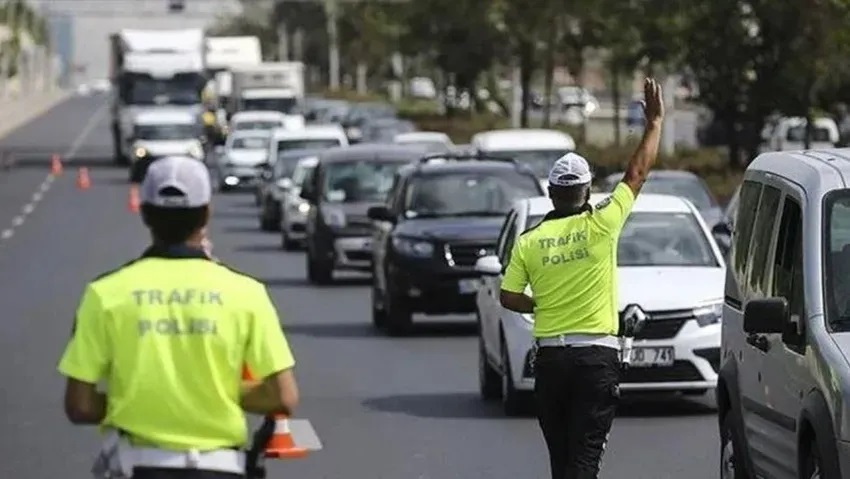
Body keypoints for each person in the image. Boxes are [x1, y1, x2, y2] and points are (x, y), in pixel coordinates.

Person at [57, 155, 299, 479]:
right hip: (222, 469)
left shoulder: (105, 294)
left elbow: (80, 405)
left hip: (137, 467)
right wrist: (217, 391)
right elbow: (283, 396)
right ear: (207, 214)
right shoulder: (247, 294)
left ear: (144, 214)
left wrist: (134, 400)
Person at [499, 78, 664, 479]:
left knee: (563, 462)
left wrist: (542, 303)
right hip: (596, 360)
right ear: (587, 191)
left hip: (552, 362)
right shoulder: (603, 224)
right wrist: (654, 123)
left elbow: (508, 296)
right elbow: (637, 173)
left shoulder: (530, 241)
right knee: (585, 460)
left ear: (552, 193)